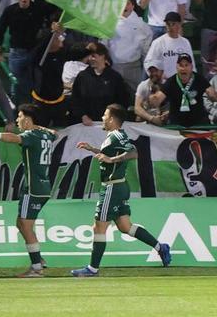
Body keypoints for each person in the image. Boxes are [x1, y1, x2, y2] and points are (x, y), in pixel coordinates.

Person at [70, 104, 171, 277]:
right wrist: (92, 149)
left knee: (98, 227)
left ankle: (92, 269)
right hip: (119, 186)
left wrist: (110, 159)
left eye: (104, 115)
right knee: (126, 227)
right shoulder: (112, 136)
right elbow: (110, 154)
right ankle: (160, 247)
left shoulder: (117, 135)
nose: (102, 118)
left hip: (112, 187)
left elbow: (133, 152)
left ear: (111, 119)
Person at [0, 104, 56, 278]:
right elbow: (55, 133)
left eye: (20, 117)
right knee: (21, 224)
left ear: (28, 120)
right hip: (43, 186)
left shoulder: (31, 135)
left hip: (33, 188)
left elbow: (14, 138)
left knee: (25, 226)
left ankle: (36, 268)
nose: (18, 121)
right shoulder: (46, 135)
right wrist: (39, 125)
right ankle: (39, 260)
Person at [0, 0, 54, 105]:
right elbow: (0, 30)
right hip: (17, 52)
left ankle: (34, 110)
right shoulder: (10, 10)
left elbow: (53, 10)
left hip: (35, 51)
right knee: (16, 84)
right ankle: (16, 112)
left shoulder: (38, 8)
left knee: (36, 82)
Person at [69, 42, 132, 126]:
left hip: (108, 124)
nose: (91, 59)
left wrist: (113, 117)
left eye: (94, 56)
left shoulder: (115, 77)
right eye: (89, 56)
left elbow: (123, 101)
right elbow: (75, 100)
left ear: (102, 55)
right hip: (87, 124)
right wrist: (83, 116)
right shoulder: (82, 76)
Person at [149, 54, 215, 126]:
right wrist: (154, 99)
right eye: (181, 65)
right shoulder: (171, 81)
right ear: (177, 67)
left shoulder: (199, 79)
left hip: (198, 124)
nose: (184, 68)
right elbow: (158, 99)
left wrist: (213, 95)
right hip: (177, 125)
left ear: (191, 67)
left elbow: (213, 95)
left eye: (186, 65)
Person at [107, 0, 152, 92]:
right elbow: (104, 43)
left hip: (133, 65)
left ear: (132, 6)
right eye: (122, 4)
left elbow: (146, 43)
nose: (124, 6)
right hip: (115, 65)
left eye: (127, 3)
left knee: (135, 92)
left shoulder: (141, 25)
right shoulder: (110, 23)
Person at [142, 12, 194, 83]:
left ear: (179, 24)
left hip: (182, 82)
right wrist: (157, 76)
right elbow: (149, 62)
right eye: (168, 24)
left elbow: (192, 64)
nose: (170, 27)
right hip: (164, 83)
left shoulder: (185, 42)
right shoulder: (158, 42)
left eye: (173, 24)